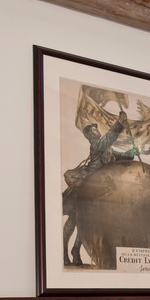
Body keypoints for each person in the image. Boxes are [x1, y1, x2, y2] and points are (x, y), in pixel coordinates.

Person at [62, 110, 128, 266]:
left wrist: (133, 150)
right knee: (75, 220)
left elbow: (121, 156)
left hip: (101, 185)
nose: (96, 131)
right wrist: (118, 124)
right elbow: (106, 141)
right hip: (89, 183)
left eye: (96, 129)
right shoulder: (96, 144)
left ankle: (75, 250)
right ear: (89, 136)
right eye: (92, 131)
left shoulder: (107, 148)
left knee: (85, 221)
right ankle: (65, 253)